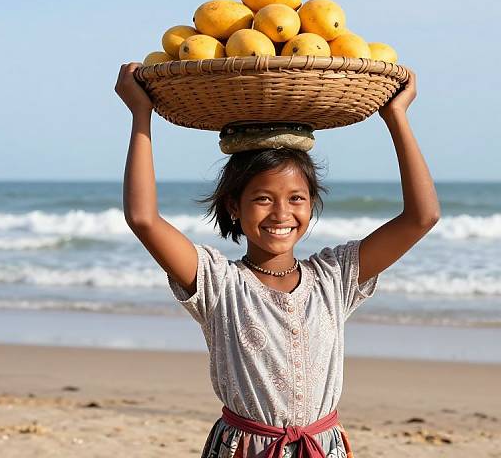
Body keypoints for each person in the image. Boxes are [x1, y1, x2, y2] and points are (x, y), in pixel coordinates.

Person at [115, 63, 440, 458]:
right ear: (235, 206)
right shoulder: (219, 284)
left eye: (296, 198)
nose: (281, 213)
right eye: (263, 198)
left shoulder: (334, 278)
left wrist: (396, 116)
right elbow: (143, 219)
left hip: (322, 447)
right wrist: (140, 115)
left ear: (311, 205)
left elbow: (421, 217)